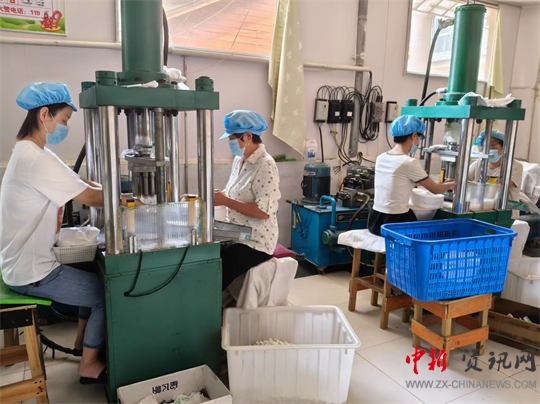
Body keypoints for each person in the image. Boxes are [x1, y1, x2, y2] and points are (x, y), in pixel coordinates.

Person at [0, 82, 111, 384]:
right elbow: (89, 197)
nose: (64, 127)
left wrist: (113, 188)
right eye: (63, 120)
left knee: (91, 276)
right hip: (31, 271)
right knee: (103, 293)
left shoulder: (33, 152)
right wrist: (129, 199)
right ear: (44, 114)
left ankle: (82, 343)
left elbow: (79, 182)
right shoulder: (35, 159)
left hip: (20, 262)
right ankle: (89, 364)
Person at [214, 110, 281, 291]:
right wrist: (217, 196)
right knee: (206, 255)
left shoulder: (266, 164)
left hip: (256, 241)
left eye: (232, 138)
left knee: (215, 275)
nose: (230, 143)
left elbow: (263, 212)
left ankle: (211, 305)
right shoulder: (239, 159)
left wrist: (226, 201)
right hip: (236, 233)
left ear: (248, 136)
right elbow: (235, 192)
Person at [368, 115, 455, 236]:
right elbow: (435, 190)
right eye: (419, 138)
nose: (418, 142)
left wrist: (441, 183)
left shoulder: (381, 157)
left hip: (375, 219)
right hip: (395, 221)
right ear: (414, 136)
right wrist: (451, 185)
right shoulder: (409, 162)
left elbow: (399, 180)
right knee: (427, 233)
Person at [469, 129, 523, 205]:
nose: (487, 151)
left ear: (503, 149)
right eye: (484, 147)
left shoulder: (514, 166)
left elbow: (500, 187)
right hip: (482, 206)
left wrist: (473, 185)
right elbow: (465, 180)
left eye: (491, 147)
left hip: (506, 208)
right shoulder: (478, 163)